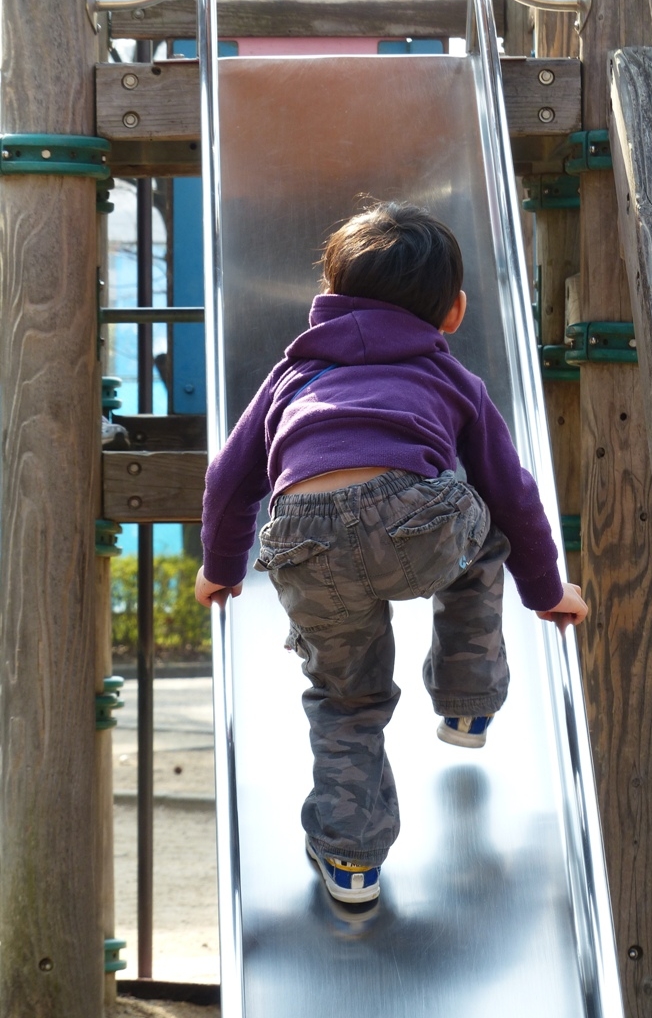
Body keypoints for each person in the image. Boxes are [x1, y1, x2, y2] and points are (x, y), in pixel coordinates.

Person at [195, 201, 587, 906]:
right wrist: (546, 589)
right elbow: (513, 490)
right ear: (454, 312)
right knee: (486, 528)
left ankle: (351, 862)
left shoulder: (290, 376)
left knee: (347, 698)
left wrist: (219, 569)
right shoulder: (452, 378)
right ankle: (467, 700)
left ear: (328, 298)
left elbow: (229, 478)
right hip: (415, 525)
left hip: (303, 539)